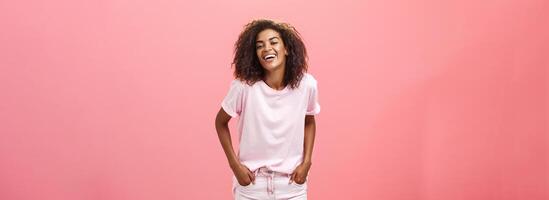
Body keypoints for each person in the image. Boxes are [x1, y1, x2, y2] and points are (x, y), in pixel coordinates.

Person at [215, 18, 320, 200]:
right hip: (252, 185)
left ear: (286, 49)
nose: (266, 49)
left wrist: (307, 162)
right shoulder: (244, 87)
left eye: (273, 42)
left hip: (291, 185)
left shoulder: (307, 85)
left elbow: (309, 121)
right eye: (259, 46)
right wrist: (235, 165)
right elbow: (220, 122)